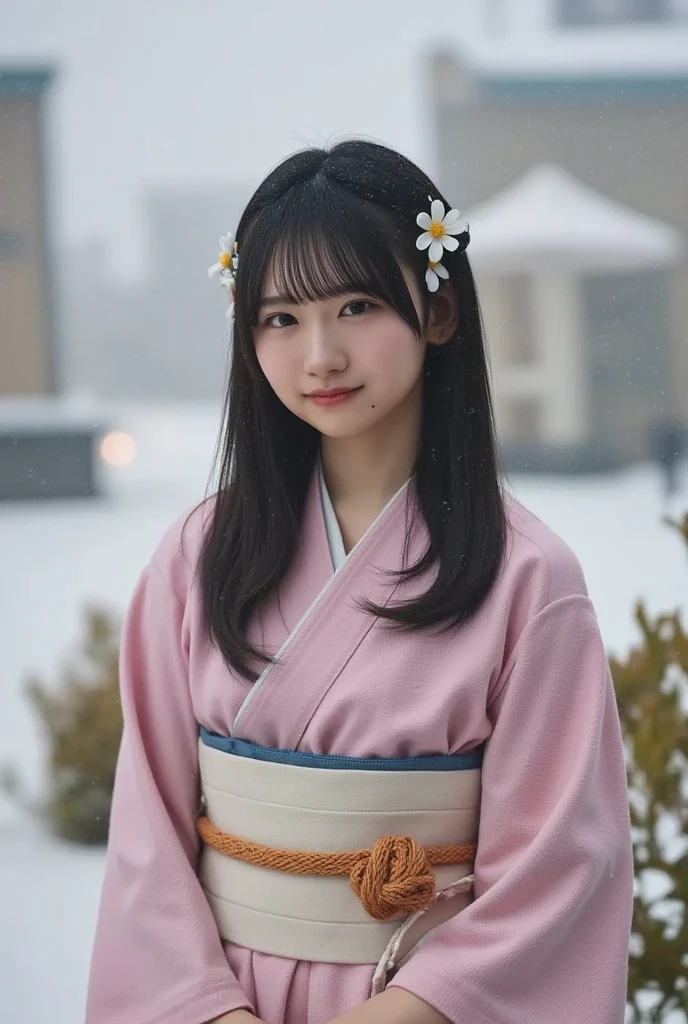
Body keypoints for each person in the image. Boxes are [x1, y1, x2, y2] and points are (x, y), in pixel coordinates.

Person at [85, 140, 634, 1024]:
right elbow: (147, 834)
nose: (321, 355)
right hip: (221, 998)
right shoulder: (196, 555)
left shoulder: (532, 580)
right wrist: (203, 1007)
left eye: (357, 304)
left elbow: (561, 865)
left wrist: (409, 1009)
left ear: (440, 311)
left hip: (421, 1003)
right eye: (281, 318)